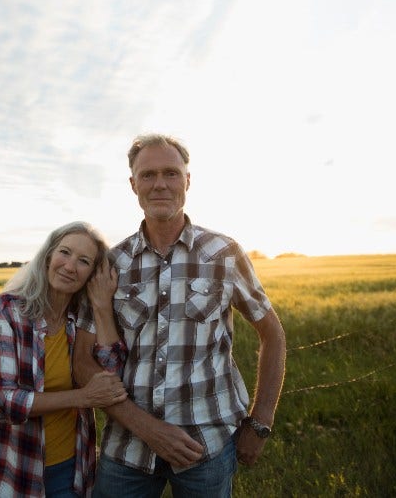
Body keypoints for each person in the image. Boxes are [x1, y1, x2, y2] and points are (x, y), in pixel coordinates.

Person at [73, 134, 286, 498]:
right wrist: (148, 429)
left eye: (171, 173)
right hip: (127, 449)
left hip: (208, 445)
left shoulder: (224, 253)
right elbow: (82, 362)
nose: (160, 184)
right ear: (133, 185)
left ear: (187, 181)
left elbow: (273, 334)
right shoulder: (113, 263)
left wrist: (261, 422)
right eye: (148, 175)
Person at [0, 221, 129, 497]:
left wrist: (102, 305)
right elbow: (3, 401)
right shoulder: (8, 311)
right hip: (10, 473)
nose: (70, 266)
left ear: (92, 273)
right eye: (64, 253)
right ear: (48, 256)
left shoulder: (79, 316)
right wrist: (83, 397)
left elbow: (112, 373)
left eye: (83, 261)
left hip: (71, 471)